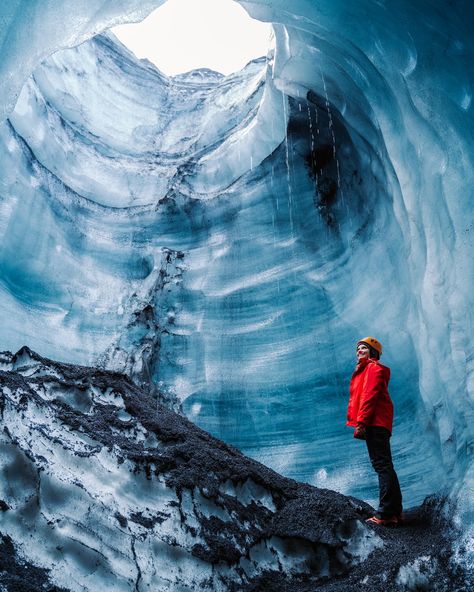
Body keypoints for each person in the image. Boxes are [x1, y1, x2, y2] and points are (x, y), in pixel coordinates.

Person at [347, 336, 403, 526]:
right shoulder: (367, 370)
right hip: (378, 423)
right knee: (386, 465)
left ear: (373, 352)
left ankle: (386, 513)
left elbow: (369, 397)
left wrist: (361, 423)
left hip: (375, 423)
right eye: (357, 349)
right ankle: (395, 512)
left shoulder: (373, 368)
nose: (359, 351)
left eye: (363, 348)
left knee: (382, 466)